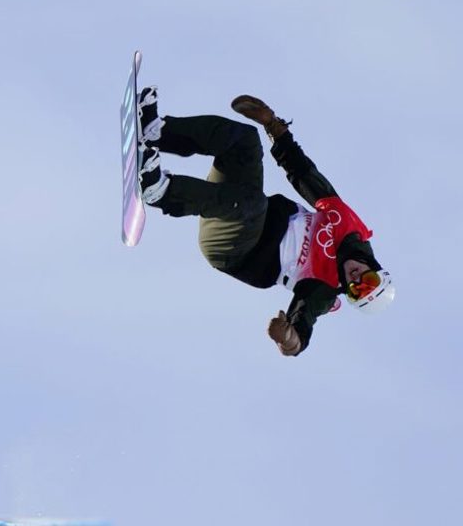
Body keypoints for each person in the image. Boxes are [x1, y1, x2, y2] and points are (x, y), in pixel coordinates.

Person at [136, 88, 395, 356]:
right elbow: (302, 171)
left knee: (254, 205)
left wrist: (287, 339)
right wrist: (273, 126)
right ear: (376, 268)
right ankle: (157, 132)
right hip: (237, 206)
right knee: (245, 142)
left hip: (235, 248)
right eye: (369, 281)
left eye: (355, 292)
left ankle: (161, 192)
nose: (355, 280)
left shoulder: (324, 288)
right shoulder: (348, 224)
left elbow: (302, 330)